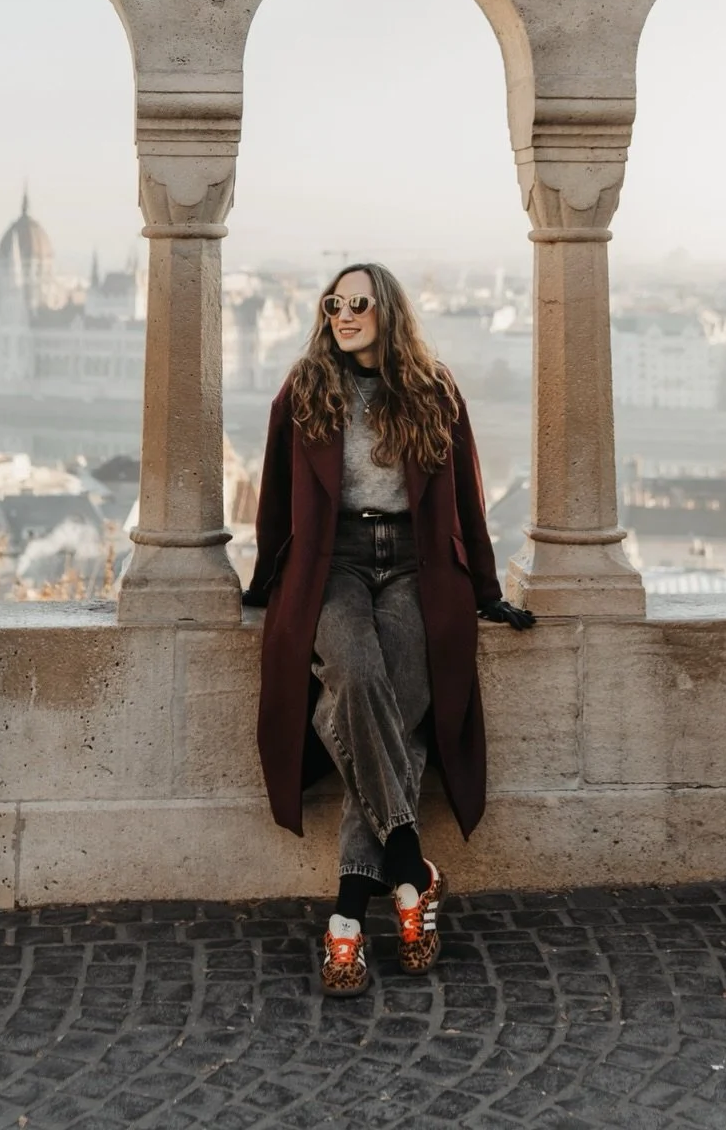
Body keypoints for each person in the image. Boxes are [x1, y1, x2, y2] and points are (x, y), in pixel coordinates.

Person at [244, 261, 535, 996]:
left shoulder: (434, 393)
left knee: (390, 713)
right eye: (334, 303)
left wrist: (490, 591)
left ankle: (347, 920)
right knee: (352, 672)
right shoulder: (304, 391)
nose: (344, 315)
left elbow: (468, 498)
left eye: (359, 304)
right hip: (331, 563)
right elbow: (276, 502)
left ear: (388, 312)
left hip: (414, 564)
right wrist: (263, 584)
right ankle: (410, 875)